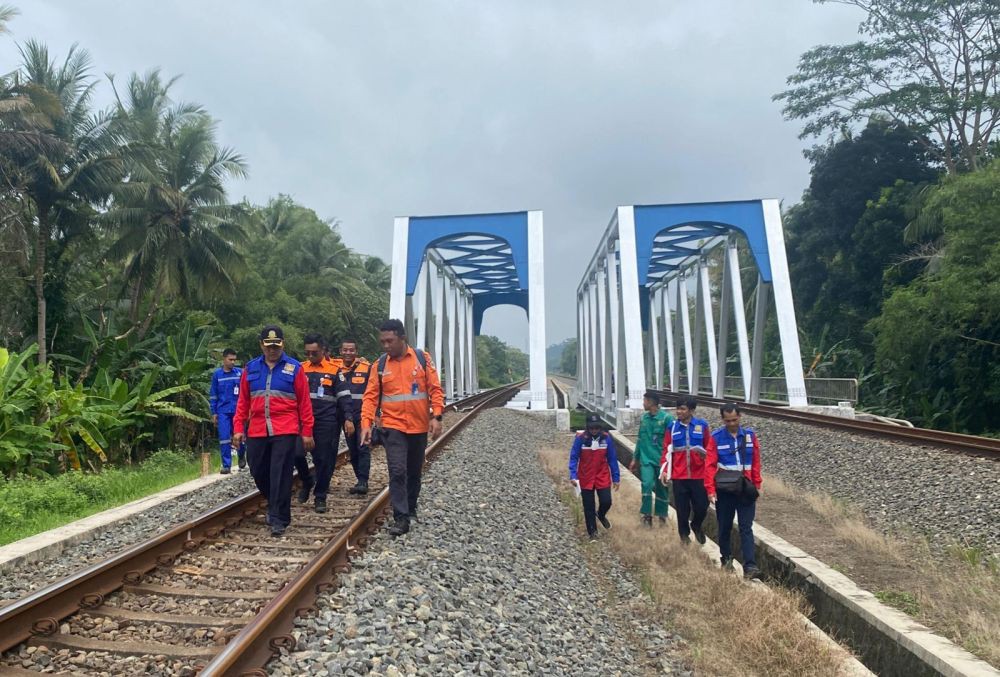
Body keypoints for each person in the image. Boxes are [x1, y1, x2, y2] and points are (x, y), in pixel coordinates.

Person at [360, 319, 444, 537]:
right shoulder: (379, 365)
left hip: (418, 426)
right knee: (397, 471)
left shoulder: (421, 359)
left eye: (390, 341)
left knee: (413, 471)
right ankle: (401, 517)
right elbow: (370, 398)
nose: (386, 346)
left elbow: (435, 389)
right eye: (383, 342)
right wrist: (366, 424)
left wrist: (437, 416)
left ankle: (411, 505)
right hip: (392, 426)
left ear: (402, 338)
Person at [232, 325, 315, 536]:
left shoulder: (294, 368)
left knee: (280, 473)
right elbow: (243, 401)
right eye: (268, 346)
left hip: (285, 429)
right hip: (258, 428)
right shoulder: (250, 369)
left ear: (282, 344)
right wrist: (238, 428)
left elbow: (304, 403)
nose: (272, 350)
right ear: (261, 345)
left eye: (276, 346)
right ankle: (274, 501)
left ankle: (279, 518)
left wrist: (307, 431)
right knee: (257, 469)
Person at [706, 402, 763, 579]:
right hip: (725, 490)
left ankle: (750, 566)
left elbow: (756, 461)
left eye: (734, 419)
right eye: (727, 420)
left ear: (740, 417)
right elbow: (709, 465)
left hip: (745, 489)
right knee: (725, 526)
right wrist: (710, 490)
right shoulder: (716, 438)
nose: (731, 423)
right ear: (723, 419)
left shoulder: (749, 437)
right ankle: (727, 559)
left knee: (746, 527)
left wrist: (757, 484)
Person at [297, 334, 351, 513]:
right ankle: (306, 480)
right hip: (302, 420)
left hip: (325, 421)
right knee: (295, 454)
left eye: (314, 353)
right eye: (308, 353)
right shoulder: (300, 369)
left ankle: (320, 496)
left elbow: (344, 397)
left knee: (323, 460)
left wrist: (348, 418)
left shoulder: (335, 371)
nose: (311, 356)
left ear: (323, 351)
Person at [659, 396, 711, 545]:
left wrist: (705, 456)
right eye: (678, 408)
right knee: (682, 509)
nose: (679, 412)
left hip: (699, 475)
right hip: (679, 475)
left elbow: (709, 448)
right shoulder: (672, 427)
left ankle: (696, 525)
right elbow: (666, 450)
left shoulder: (702, 426)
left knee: (701, 506)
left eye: (683, 409)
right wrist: (664, 469)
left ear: (692, 410)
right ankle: (684, 537)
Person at [569, 414, 621, 540]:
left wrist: (616, 478)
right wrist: (573, 475)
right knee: (588, 506)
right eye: (591, 428)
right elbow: (574, 457)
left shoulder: (606, 439)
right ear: (587, 427)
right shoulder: (580, 439)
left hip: (601, 476)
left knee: (606, 501)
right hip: (585, 476)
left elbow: (612, 459)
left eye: (596, 428)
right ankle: (592, 533)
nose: (594, 430)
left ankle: (601, 514)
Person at [334, 339, 372, 495]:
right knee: (353, 450)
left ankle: (363, 481)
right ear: (340, 351)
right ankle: (359, 479)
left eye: (351, 350)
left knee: (362, 447)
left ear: (356, 352)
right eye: (345, 350)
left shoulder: (367, 368)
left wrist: (375, 414)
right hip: (345, 416)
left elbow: (374, 391)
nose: (348, 353)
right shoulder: (335, 368)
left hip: (362, 415)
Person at [629, 391, 672, 527]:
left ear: (651, 402)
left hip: (661, 461)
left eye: (645, 401)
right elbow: (640, 440)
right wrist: (635, 459)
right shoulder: (644, 419)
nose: (643, 403)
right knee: (646, 485)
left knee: (662, 488)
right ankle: (647, 515)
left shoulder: (667, 419)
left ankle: (662, 516)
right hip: (646, 459)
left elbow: (671, 441)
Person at [209, 348, 245, 474]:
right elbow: (213, 394)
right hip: (223, 411)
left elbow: (246, 393)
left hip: (237, 411)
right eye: (230, 360)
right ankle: (226, 465)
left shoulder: (240, 373)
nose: (233, 362)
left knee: (239, 436)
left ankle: (241, 456)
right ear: (223, 359)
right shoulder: (217, 375)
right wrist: (214, 412)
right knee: (224, 438)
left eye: (234, 360)